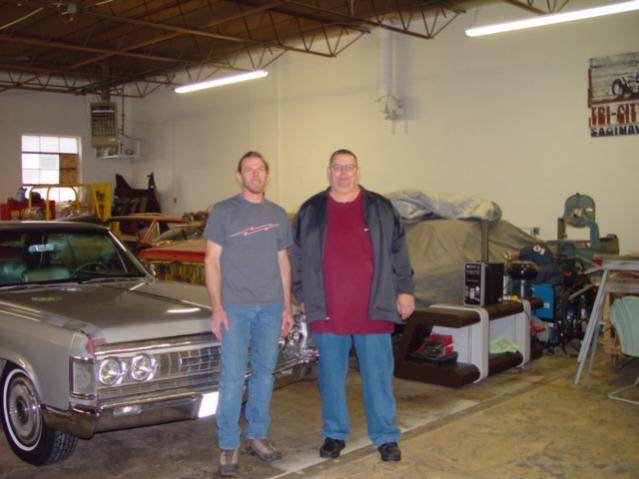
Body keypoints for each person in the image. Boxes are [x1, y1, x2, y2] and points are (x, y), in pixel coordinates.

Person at [292, 148, 415, 463]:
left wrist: (404, 291)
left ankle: (386, 436)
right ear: (328, 171)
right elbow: (297, 256)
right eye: (337, 167)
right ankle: (334, 434)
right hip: (327, 308)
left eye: (349, 167)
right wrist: (301, 294)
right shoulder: (311, 210)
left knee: (378, 376)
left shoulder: (380, 207)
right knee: (331, 378)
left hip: (374, 307)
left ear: (358, 171)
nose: (343, 173)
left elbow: (399, 251)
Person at [204, 151, 294, 477]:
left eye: (260, 170)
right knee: (232, 377)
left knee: (264, 375)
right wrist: (217, 307)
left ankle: (257, 436)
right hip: (235, 309)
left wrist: (287, 306)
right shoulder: (223, 211)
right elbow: (212, 260)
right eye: (248, 170)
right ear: (238, 176)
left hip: (271, 307)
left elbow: (283, 261)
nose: (255, 175)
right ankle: (229, 443)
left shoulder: (278, 214)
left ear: (267, 175)